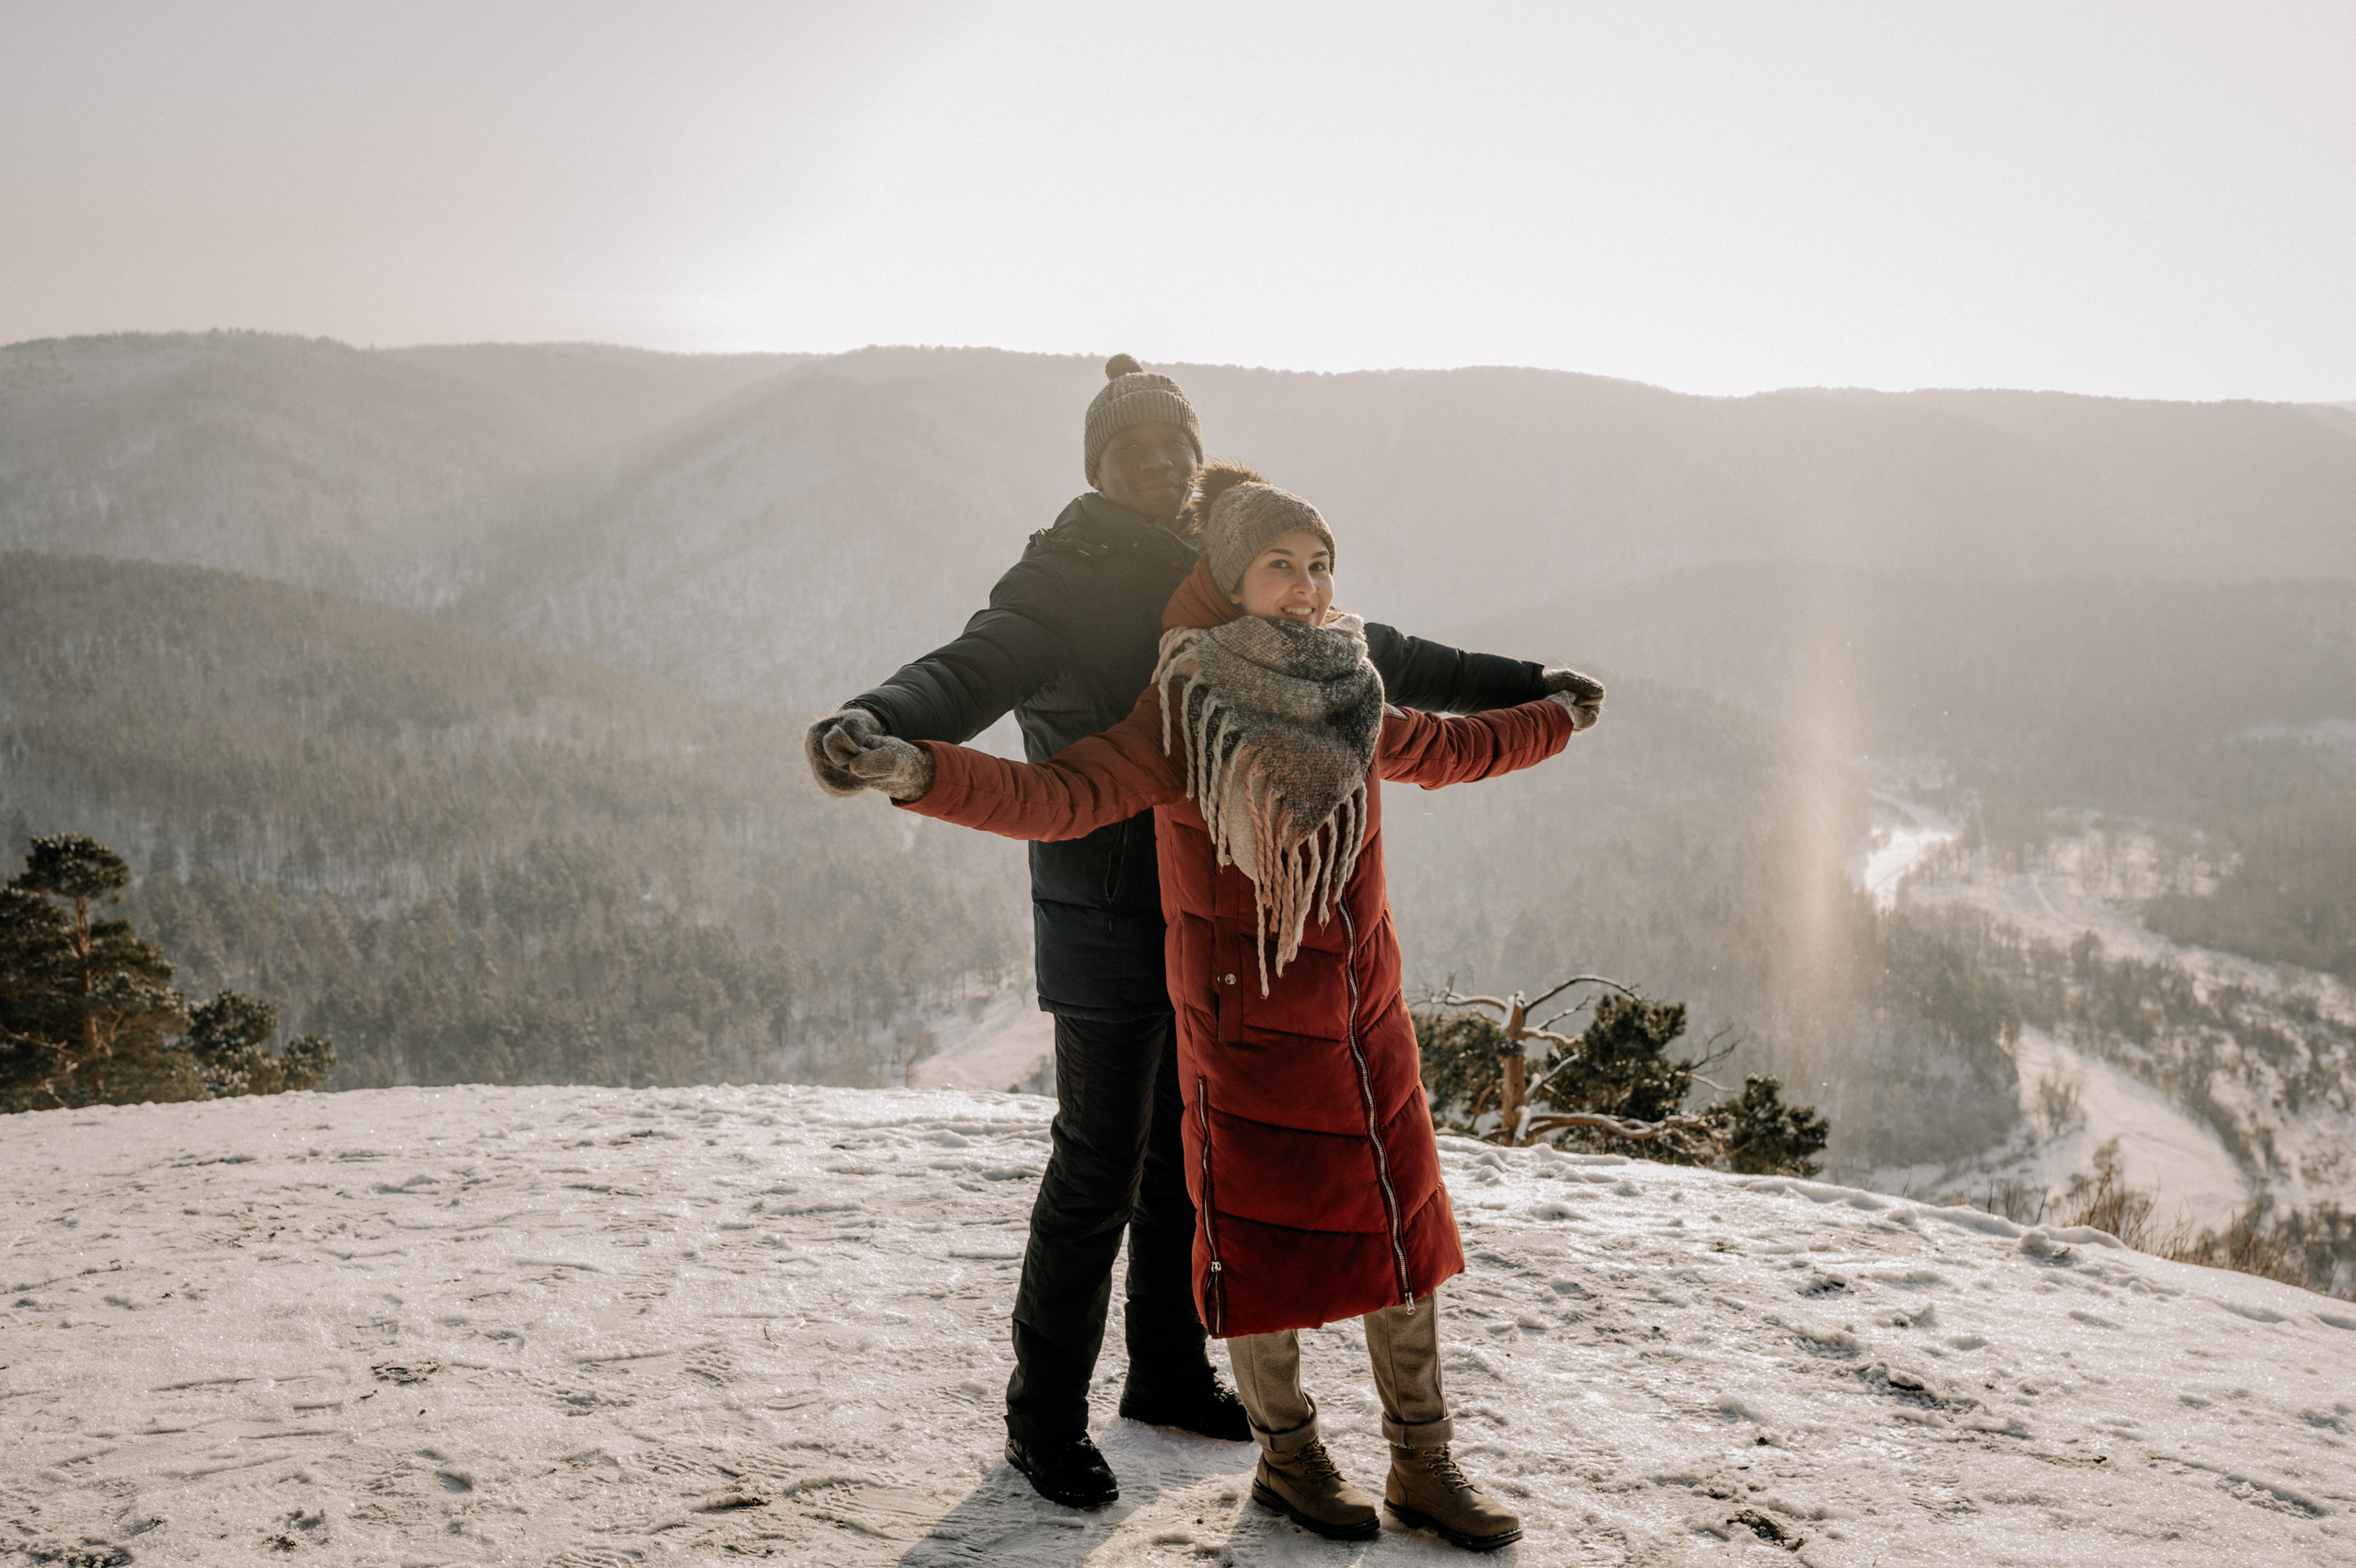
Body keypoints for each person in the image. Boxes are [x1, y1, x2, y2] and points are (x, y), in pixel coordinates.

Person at [804, 356, 1600, 1509]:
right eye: (1137, 451)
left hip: (1223, 922)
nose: (1165, 468)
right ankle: (1044, 1422)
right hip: (1108, 910)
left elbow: (1384, 658)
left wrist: (1528, 685)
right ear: (1097, 464)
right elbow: (971, 670)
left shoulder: (1224, 559)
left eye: (1178, 449)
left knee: (1196, 1163)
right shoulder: (1061, 580)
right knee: (1098, 1167)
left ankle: (1170, 1375)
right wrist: (884, 728)